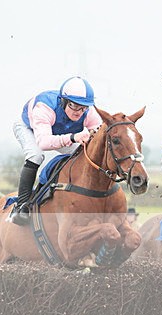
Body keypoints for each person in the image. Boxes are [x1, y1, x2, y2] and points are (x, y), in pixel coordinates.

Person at [10, 76, 101, 225]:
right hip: (29, 128)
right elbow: (44, 143)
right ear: (63, 101)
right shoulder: (45, 107)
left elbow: (98, 135)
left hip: (57, 133)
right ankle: (22, 206)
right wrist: (73, 137)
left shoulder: (89, 112)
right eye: (74, 105)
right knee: (36, 155)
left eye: (83, 107)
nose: (79, 112)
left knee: (82, 154)